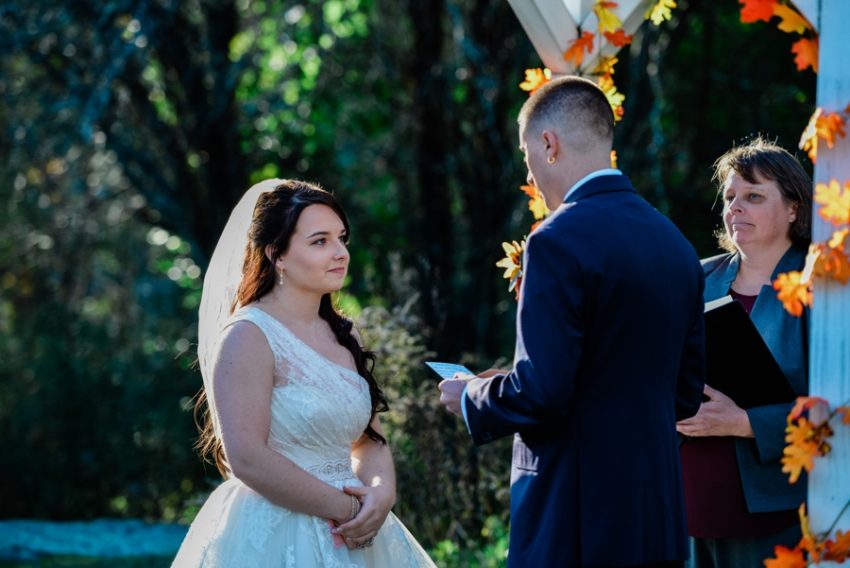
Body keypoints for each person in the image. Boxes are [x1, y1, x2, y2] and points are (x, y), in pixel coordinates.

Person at [438, 76, 706, 567]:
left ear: (548, 143)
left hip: (575, 516)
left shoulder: (556, 240)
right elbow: (685, 393)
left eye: (527, 158)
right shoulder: (676, 246)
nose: (532, 175)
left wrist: (472, 395)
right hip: (656, 512)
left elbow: (543, 392)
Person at [172, 179, 435, 567]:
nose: (340, 253)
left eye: (342, 238)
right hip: (275, 530)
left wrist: (381, 495)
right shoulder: (248, 335)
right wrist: (345, 508)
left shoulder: (346, 334)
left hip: (358, 529)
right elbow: (246, 457)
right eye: (320, 241)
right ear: (277, 254)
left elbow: (369, 437)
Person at [676, 138, 812, 567]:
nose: (735, 207)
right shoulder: (695, 279)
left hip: (776, 516)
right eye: (730, 197)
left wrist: (745, 422)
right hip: (687, 505)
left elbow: (840, 409)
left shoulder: (824, 288)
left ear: (794, 208)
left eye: (753, 196)